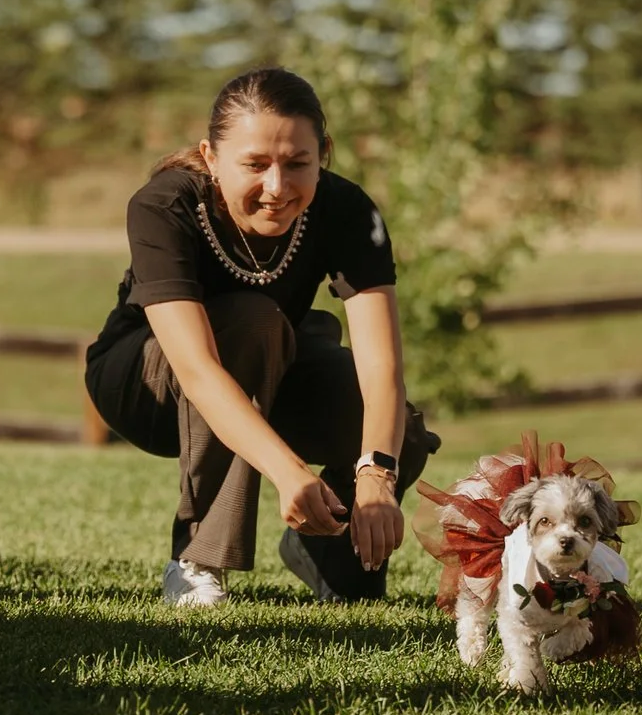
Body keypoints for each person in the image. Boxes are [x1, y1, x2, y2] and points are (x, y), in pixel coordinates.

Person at [85, 67, 438, 609]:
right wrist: (287, 472)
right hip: (146, 385)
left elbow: (381, 368)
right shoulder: (164, 205)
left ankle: (330, 555)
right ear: (210, 156)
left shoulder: (348, 210)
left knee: (398, 433)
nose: (277, 187)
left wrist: (377, 474)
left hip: (272, 363)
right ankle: (199, 559)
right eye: (254, 165)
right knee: (253, 320)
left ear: (324, 152)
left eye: (298, 163)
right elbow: (199, 369)